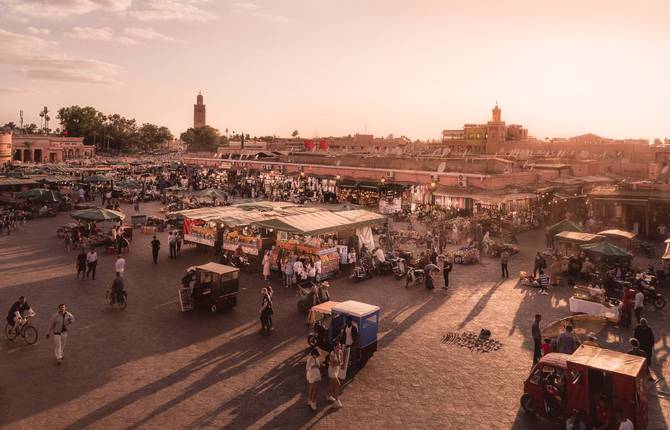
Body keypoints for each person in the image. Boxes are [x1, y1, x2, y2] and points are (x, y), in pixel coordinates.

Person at [327, 341, 344, 408]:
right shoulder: (332, 353)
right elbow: (331, 364)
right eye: (337, 347)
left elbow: (342, 361)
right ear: (334, 347)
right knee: (337, 384)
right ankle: (337, 400)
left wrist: (337, 363)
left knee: (331, 383)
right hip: (331, 370)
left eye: (339, 347)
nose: (339, 348)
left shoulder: (340, 352)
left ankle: (328, 396)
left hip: (337, 369)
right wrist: (338, 363)